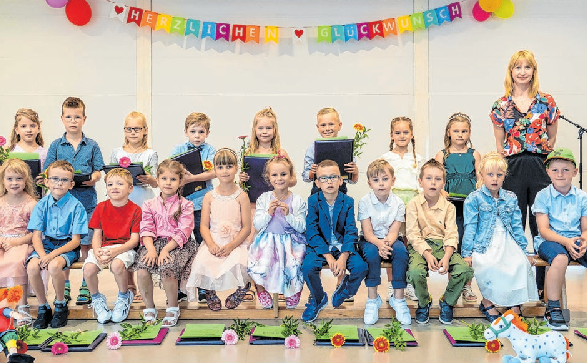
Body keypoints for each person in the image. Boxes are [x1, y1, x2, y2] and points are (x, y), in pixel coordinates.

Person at [490, 50, 560, 299]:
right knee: (513, 225)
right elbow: (500, 146)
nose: (522, 72)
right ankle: (513, 286)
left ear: (533, 71)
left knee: (541, 225)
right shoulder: (500, 105)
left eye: (527, 67)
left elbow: (551, 138)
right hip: (513, 167)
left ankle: (543, 288)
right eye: (517, 67)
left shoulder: (547, 101)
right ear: (511, 72)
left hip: (540, 165)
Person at [462, 152, 538, 322]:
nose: (494, 179)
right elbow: (470, 227)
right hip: (484, 242)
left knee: (518, 264)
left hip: (508, 240)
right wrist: (467, 252)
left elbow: (517, 226)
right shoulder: (473, 199)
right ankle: (488, 302)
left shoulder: (510, 197)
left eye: (499, 174)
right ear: (481, 175)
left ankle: (514, 304)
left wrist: (524, 250)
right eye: (490, 174)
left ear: (504, 176)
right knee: (488, 264)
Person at [44, 97, 104, 306]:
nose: (73, 120)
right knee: (66, 243)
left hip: (86, 201)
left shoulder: (92, 145)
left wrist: (93, 178)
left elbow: (99, 170)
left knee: (86, 244)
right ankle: (66, 284)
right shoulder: (56, 145)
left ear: (84, 119)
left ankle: (86, 285)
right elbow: (47, 171)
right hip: (62, 204)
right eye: (68, 117)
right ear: (62, 119)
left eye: (77, 117)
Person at [406, 159, 474, 325]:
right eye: (428, 178)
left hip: (444, 246)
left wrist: (447, 255)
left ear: (444, 183)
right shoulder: (413, 204)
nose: (433, 183)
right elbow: (413, 234)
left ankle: (447, 301)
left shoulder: (449, 207)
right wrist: (427, 255)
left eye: (437, 179)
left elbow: (451, 233)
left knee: (464, 269)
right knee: (415, 272)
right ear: (420, 181)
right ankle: (424, 302)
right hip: (420, 247)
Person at [301, 160, 368, 323]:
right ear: (317, 182)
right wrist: (329, 257)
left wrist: (343, 257)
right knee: (308, 267)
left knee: (361, 267)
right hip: (320, 247)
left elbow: (351, 230)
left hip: (341, 245)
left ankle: (345, 291)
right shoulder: (313, 201)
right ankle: (318, 298)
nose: (329, 181)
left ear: (340, 180)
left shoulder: (348, 201)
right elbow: (312, 231)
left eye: (333, 177)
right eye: (323, 178)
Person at [131, 159, 196, 327]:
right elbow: (146, 229)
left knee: (168, 268)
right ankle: (150, 307)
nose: (168, 183)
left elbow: (184, 230)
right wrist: (151, 250)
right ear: (157, 180)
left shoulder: (186, 205)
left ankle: (173, 307)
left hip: (177, 244)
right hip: (152, 243)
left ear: (180, 182)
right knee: (143, 269)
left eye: (173, 179)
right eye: (164, 179)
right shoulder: (148, 204)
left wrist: (166, 249)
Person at [185, 149, 252, 311]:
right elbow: (204, 226)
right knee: (203, 261)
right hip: (214, 240)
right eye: (220, 167)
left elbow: (247, 227)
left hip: (236, 241)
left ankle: (243, 287)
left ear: (236, 168)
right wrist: (210, 244)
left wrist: (231, 246)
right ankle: (209, 291)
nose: (225, 171)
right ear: (214, 170)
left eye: (229, 166)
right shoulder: (209, 196)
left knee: (242, 261)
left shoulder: (242, 196)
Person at [27, 160, 88, 329]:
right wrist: (42, 255)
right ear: (46, 182)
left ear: (71, 184)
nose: (59, 183)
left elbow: (76, 241)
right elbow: (36, 237)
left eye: (64, 180)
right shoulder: (41, 205)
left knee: (54, 266)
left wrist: (51, 256)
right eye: (54, 179)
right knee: (32, 267)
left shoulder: (77, 206)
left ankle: (60, 305)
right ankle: (43, 307)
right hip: (45, 245)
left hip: (67, 246)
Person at [532, 148, 587, 331]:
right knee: (560, 258)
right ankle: (553, 307)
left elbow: (585, 228)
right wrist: (566, 242)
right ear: (547, 172)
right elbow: (544, 230)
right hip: (550, 241)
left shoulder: (582, 197)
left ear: (575, 172)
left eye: (565, 169)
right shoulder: (542, 196)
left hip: (576, 240)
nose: (560, 174)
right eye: (555, 170)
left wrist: (584, 239)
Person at [110, 111, 158, 303]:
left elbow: (157, 182)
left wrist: (149, 179)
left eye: (137, 129)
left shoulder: (150, 154)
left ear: (145, 130)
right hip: (122, 204)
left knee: (141, 243)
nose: (133, 132)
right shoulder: (117, 152)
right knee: (125, 241)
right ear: (124, 130)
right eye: (129, 129)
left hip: (144, 201)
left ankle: (143, 282)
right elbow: (111, 177)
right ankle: (129, 285)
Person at [83, 168, 141, 324]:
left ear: (130, 188)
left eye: (120, 184)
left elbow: (134, 241)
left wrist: (115, 251)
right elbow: (97, 234)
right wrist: (96, 252)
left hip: (124, 248)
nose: (114, 187)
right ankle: (96, 299)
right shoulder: (101, 207)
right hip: (104, 247)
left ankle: (124, 296)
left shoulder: (135, 209)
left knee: (117, 265)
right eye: (110, 184)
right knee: (88, 269)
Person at [248, 155, 307, 309]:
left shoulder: (297, 200)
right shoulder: (264, 198)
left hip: (291, 241)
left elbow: (301, 227)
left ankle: (294, 291)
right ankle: (261, 290)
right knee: (260, 263)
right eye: (274, 175)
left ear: (291, 176)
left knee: (295, 263)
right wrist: (269, 213)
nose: (279, 178)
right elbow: (257, 224)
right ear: (268, 178)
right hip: (267, 240)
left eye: (283, 174)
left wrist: (289, 215)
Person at [169, 112, 216, 303]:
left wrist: (193, 178)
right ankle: (181, 288)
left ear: (207, 133)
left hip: (203, 204)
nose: (197, 135)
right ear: (186, 131)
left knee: (203, 245)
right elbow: (170, 171)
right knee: (182, 245)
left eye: (201, 131)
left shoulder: (211, 151)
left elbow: (214, 172)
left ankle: (205, 287)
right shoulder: (178, 150)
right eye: (193, 131)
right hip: (182, 205)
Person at [434, 112, 481, 304]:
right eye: (456, 131)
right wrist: (442, 191)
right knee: (453, 242)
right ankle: (454, 283)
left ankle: (467, 284)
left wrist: (478, 188)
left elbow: (480, 176)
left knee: (468, 244)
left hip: (469, 205)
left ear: (469, 133)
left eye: (464, 131)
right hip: (451, 205)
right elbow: (436, 176)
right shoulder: (442, 154)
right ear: (448, 132)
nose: (460, 134)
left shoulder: (474, 154)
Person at [357, 159, 410, 325]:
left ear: (393, 181)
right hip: (370, 240)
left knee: (401, 252)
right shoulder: (364, 202)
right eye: (376, 180)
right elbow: (367, 232)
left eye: (385, 179)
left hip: (391, 239)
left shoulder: (399, 203)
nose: (381, 184)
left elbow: (394, 231)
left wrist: (386, 244)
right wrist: (379, 245)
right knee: (371, 255)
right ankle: (373, 299)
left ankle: (399, 298)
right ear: (369, 183)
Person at [380, 116, 423, 302]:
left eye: (406, 132)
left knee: (410, 244)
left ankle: (409, 283)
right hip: (393, 202)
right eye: (397, 132)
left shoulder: (418, 159)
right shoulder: (385, 159)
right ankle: (392, 283)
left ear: (412, 134)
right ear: (391, 135)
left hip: (413, 203)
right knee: (393, 243)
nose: (402, 136)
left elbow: (421, 184)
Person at [0, 159, 38, 327]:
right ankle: (3, 308)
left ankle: (21, 307)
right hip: (2, 241)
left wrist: (15, 243)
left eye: (18, 178)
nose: (14, 183)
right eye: (10, 179)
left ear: (26, 180)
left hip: (22, 242)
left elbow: (35, 233)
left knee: (15, 263)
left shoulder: (31, 203)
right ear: (3, 180)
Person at [302, 107, 359, 195]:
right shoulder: (312, 148)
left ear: (340, 125)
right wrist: (311, 172)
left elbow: (352, 180)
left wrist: (355, 172)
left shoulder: (346, 147)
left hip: (340, 191)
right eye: (323, 125)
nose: (327, 128)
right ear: (317, 127)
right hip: (318, 192)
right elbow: (306, 177)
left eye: (331, 124)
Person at [8, 108, 47, 174]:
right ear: (16, 129)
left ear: (38, 128)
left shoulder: (45, 153)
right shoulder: (10, 151)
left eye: (32, 126)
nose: (29, 130)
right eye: (23, 126)